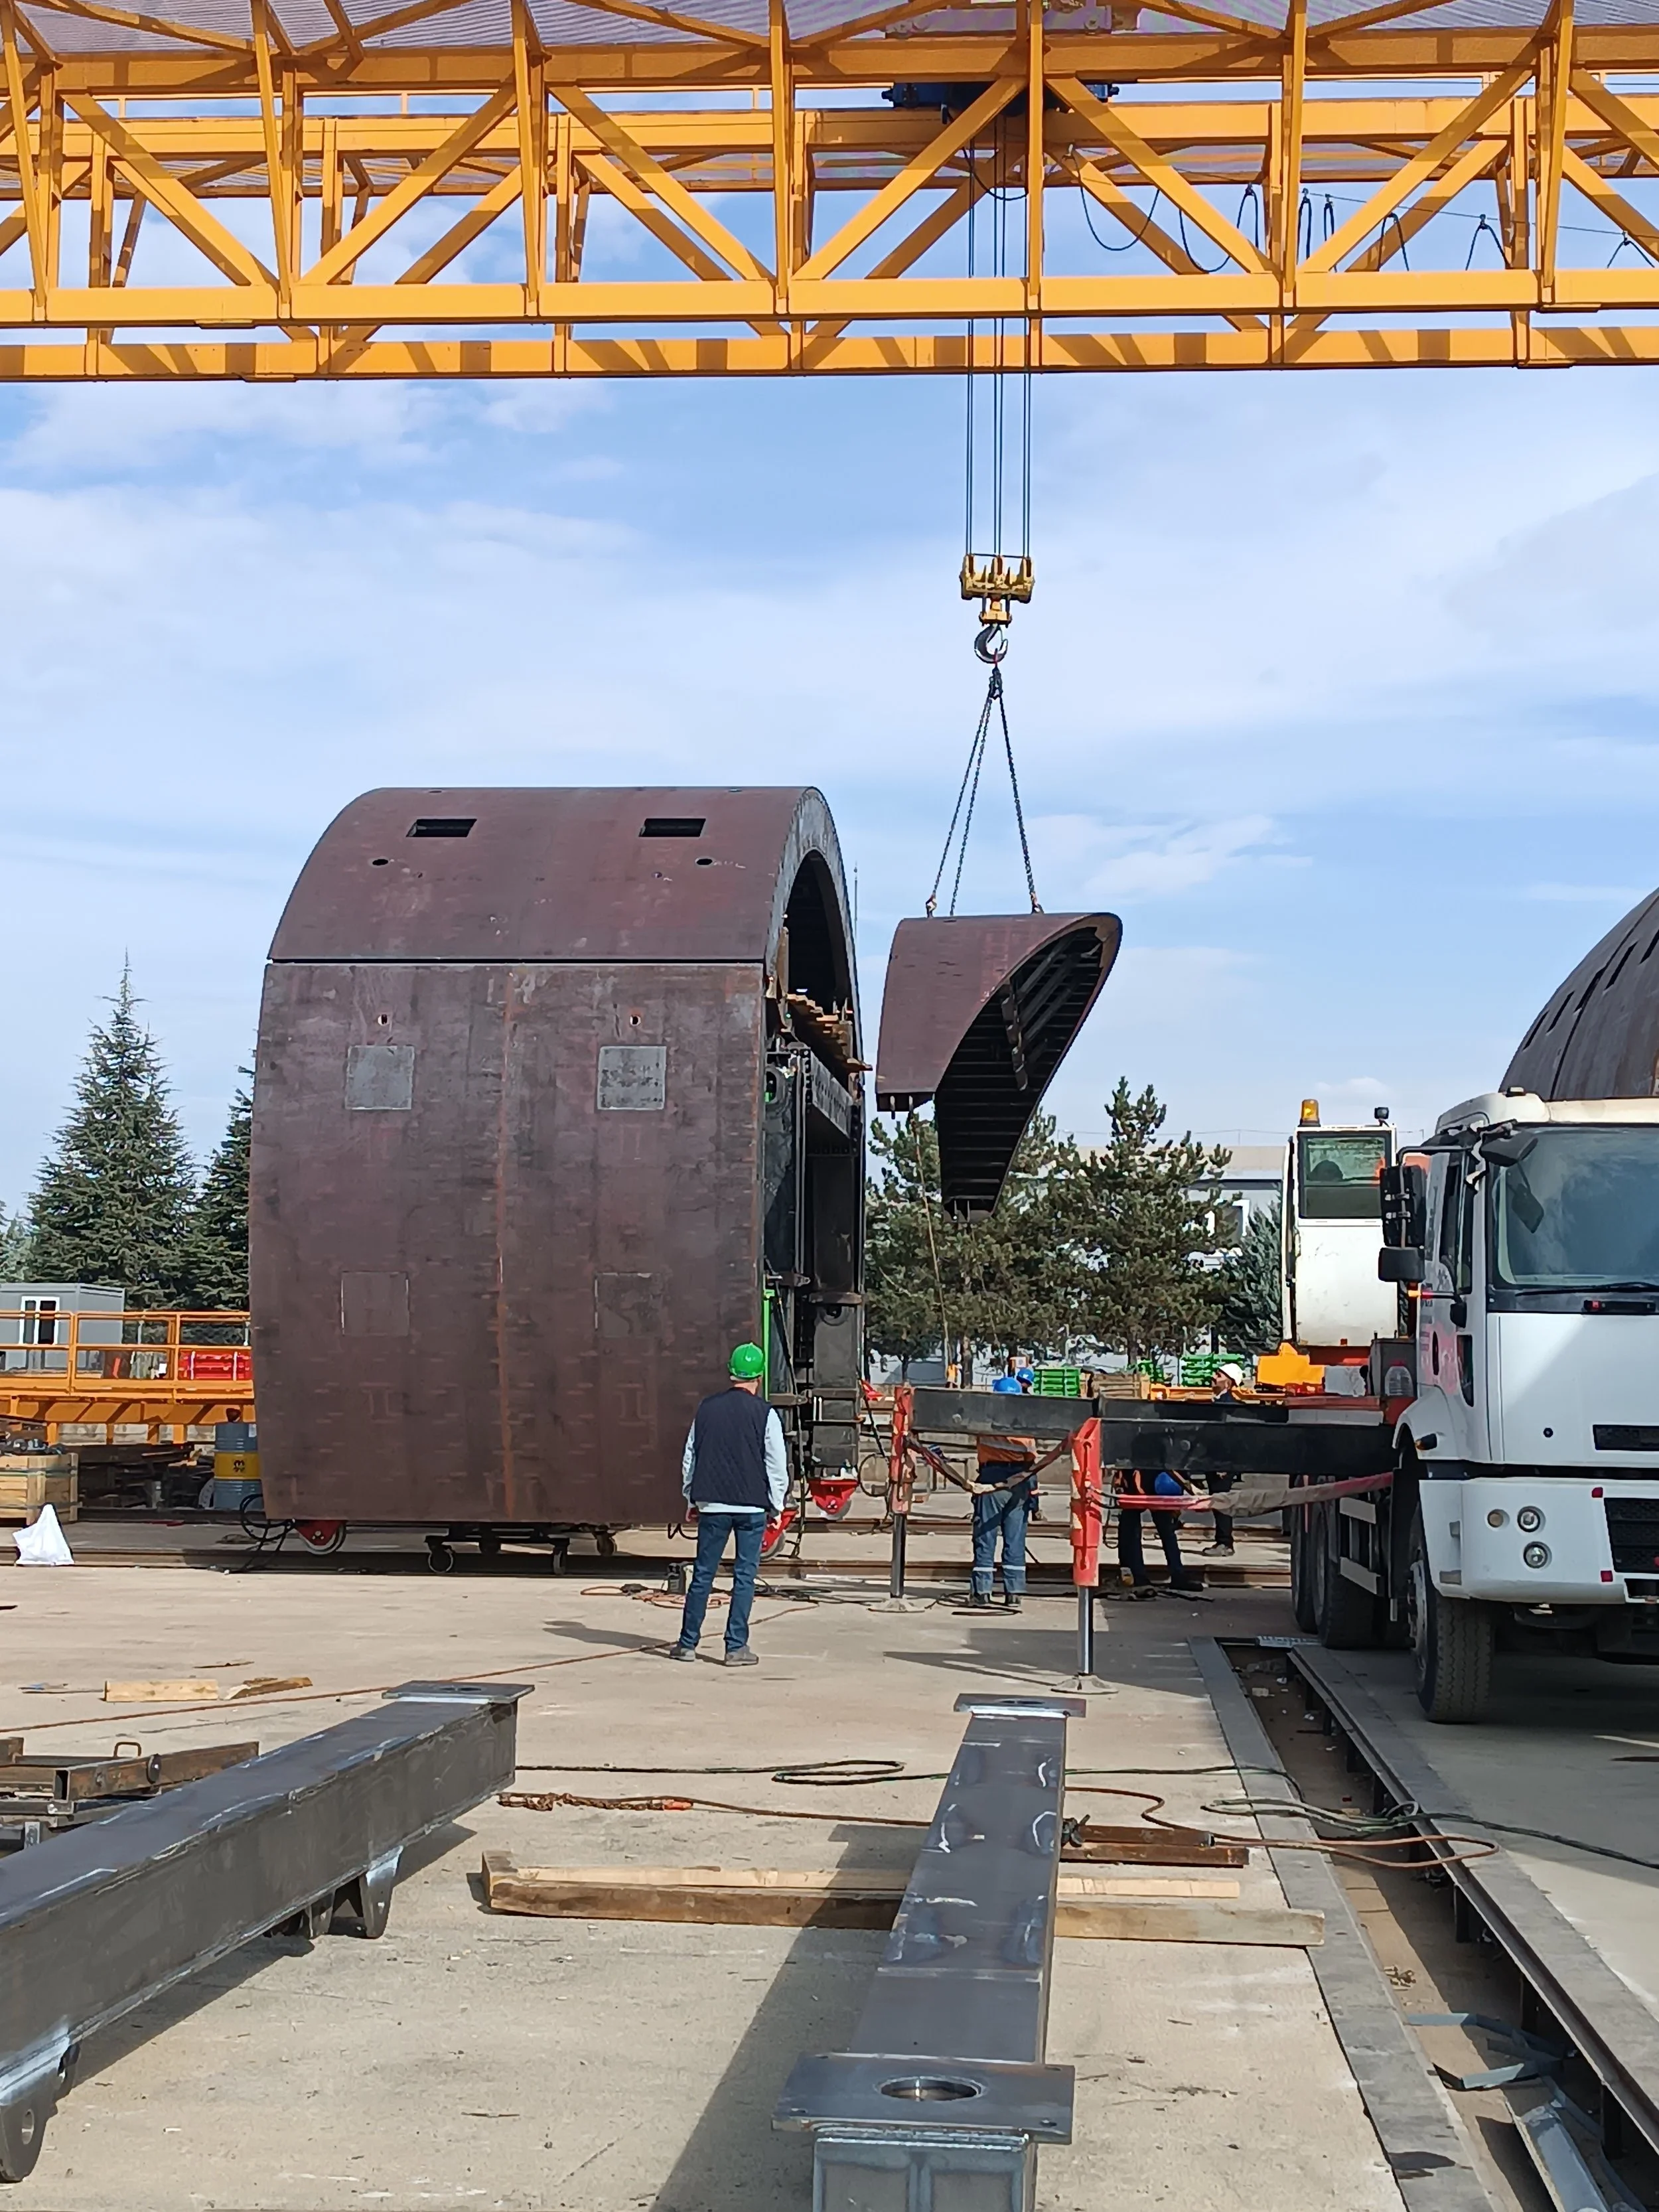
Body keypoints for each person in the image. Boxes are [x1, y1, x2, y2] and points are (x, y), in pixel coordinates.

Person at [668, 1341, 788, 1666]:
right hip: (751, 1507)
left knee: (703, 1574)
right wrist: (776, 1506)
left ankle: (687, 1644)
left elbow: (690, 1455)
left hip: (712, 1505)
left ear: (731, 1373)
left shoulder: (707, 1408)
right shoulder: (766, 1414)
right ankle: (736, 1647)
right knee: (744, 1576)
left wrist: (691, 1496)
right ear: (759, 1377)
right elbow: (776, 1464)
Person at [967, 1365, 1039, 1611]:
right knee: (1015, 1538)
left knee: (986, 1535)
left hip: (991, 1480)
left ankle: (982, 1591)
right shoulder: (1026, 1428)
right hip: (1019, 1483)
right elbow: (1032, 1459)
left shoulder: (985, 1421)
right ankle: (1014, 1591)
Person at [1116, 1466, 1204, 1594]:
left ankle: (1175, 1575)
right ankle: (1139, 1576)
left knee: (1165, 1530)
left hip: (1153, 1480)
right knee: (1133, 1532)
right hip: (1136, 1481)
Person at [1203, 1361, 1245, 1557]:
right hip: (1216, 1462)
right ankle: (1223, 1541)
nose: (1214, 1377)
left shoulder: (1228, 1406)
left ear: (1228, 1383)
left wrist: (1224, 1464)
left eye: (1219, 1375)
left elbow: (1230, 1439)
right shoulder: (1218, 1403)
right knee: (1218, 1501)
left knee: (1222, 1502)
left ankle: (1225, 1543)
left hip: (1222, 1464)